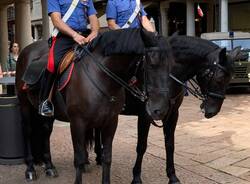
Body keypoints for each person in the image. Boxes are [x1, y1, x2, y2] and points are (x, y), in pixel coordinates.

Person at [39, 0, 100, 117]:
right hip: (65, 36)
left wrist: (95, 32)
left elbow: (93, 17)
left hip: (85, 36)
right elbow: (56, 20)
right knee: (53, 63)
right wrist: (74, 35)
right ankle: (45, 101)